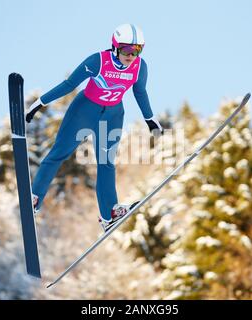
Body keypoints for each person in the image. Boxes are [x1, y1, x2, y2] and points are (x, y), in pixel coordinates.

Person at [25, 23, 164, 232]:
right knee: (59, 153)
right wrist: (39, 103)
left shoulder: (140, 67)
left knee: (106, 163)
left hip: (113, 116)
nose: (131, 55)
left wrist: (150, 119)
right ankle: (34, 198)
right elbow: (69, 84)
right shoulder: (98, 61)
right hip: (84, 111)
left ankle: (109, 215)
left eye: (137, 50)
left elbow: (140, 92)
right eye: (127, 49)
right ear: (115, 46)